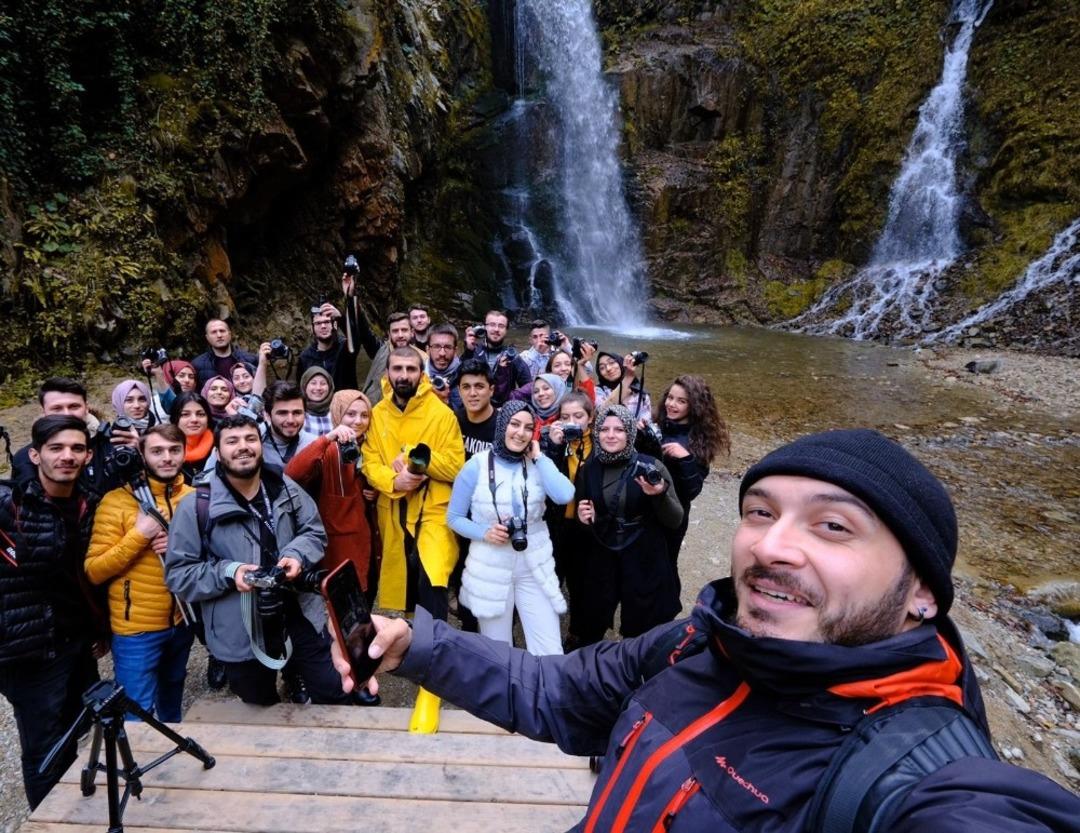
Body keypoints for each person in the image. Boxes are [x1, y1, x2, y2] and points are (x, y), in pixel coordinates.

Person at [332, 429, 1080, 833]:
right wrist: (419, 644)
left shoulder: (912, 780)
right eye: (760, 512)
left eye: (832, 525)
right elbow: (559, 689)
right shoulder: (699, 642)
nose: (772, 545)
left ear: (923, 592)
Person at [165, 414, 348, 706]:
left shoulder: (285, 487)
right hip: (238, 625)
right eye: (232, 441)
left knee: (332, 691)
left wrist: (296, 554)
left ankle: (300, 688)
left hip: (296, 609)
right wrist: (229, 572)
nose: (243, 446)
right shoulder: (196, 506)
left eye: (250, 439)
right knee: (259, 705)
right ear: (217, 453)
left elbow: (313, 531)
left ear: (261, 446)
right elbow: (178, 575)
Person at [0, 415, 107, 810]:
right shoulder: (10, 505)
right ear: (35, 455)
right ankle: (49, 818)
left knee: (76, 728)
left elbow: (86, 576)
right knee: (44, 748)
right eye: (56, 448)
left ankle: (71, 807)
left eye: (77, 448)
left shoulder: (89, 504)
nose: (67, 456)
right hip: (29, 649)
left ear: (88, 455)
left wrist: (100, 627)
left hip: (77, 641)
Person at [361, 346, 464, 732]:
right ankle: (401, 653)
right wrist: (394, 480)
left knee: (432, 584)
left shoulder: (442, 414)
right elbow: (370, 461)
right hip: (393, 510)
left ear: (422, 373)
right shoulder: (377, 414)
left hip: (433, 512)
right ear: (387, 371)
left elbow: (455, 464)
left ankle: (432, 685)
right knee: (401, 594)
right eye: (397, 368)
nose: (403, 375)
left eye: (410, 368)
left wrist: (414, 460)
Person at [84, 424, 195, 722]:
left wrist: (179, 544)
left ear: (184, 453)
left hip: (182, 620)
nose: (167, 458)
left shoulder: (195, 498)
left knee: (172, 692)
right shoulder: (116, 501)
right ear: (142, 455)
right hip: (136, 630)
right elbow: (94, 570)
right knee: (136, 711)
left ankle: (172, 743)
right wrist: (139, 535)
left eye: (174, 450)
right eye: (157, 451)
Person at [448, 402, 574, 655]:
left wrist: (539, 457)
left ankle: (546, 682)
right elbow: (454, 517)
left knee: (549, 649)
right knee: (498, 651)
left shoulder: (538, 463)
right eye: (514, 424)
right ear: (502, 425)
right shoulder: (476, 465)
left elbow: (564, 495)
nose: (520, 433)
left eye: (528, 427)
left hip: (534, 564)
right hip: (491, 565)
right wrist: (484, 532)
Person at [575, 403, 683, 644]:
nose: (611, 435)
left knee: (642, 621)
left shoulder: (651, 466)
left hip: (643, 550)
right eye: (604, 429)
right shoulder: (589, 469)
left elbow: (675, 520)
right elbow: (584, 519)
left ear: (630, 433)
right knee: (594, 613)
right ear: (597, 433)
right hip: (604, 550)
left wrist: (659, 495)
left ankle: (637, 656)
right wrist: (584, 520)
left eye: (619, 429)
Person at [285, 390, 379, 596]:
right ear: (337, 415)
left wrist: (375, 493)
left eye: (364, 415)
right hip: (340, 548)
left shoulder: (374, 447)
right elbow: (292, 474)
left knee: (367, 597)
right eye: (350, 414)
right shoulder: (328, 449)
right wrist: (327, 439)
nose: (358, 421)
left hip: (371, 542)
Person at [646, 374, 730, 592]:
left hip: (673, 514)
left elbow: (693, 490)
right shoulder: (658, 424)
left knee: (665, 564)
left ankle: (668, 605)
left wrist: (686, 459)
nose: (672, 404)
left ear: (694, 406)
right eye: (670, 397)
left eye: (681, 401)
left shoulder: (698, 440)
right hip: (645, 507)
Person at [11, 377, 136, 494]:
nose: (67, 414)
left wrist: (140, 453)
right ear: (44, 412)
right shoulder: (26, 457)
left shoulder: (115, 444)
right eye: (57, 408)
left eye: (74, 407)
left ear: (86, 408)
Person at [540, 391, 594, 651]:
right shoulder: (553, 443)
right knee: (551, 577)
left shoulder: (600, 444)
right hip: (556, 522)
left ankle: (577, 632)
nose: (572, 422)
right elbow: (542, 478)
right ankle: (544, 627)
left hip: (585, 526)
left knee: (582, 581)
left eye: (578, 416)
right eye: (565, 417)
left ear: (590, 418)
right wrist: (553, 447)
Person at [297, 270, 376, 393]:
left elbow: (358, 334)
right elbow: (300, 390)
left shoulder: (345, 349)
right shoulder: (305, 357)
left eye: (327, 322)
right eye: (318, 323)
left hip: (345, 402)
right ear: (312, 328)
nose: (323, 326)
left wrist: (341, 316)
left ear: (334, 324)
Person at [462, 309, 531, 406]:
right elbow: (458, 381)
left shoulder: (511, 356)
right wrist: (468, 352)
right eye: (492, 325)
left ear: (506, 330)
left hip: (502, 408)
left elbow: (529, 386)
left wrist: (513, 398)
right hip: (474, 406)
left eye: (501, 326)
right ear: (484, 327)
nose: (496, 329)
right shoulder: (474, 351)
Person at [361, 311, 416, 406]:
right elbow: (365, 334)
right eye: (395, 331)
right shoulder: (380, 351)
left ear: (412, 332)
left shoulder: (422, 359)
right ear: (389, 334)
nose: (400, 335)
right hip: (376, 408)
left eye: (404, 330)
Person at [191, 319, 257, 387]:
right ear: (207, 337)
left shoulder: (250, 359)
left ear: (229, 334)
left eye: (222, 331)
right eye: (214, 332)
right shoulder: (197, 365)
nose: (219, 335)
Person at [455, 360, 498, 460]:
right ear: (459, 391)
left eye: (479, 387)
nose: (472, 393)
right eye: (466, 387)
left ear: (491, 390)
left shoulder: (503, 426)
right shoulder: (452, 421)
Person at [169, 392, 214, 484]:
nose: (194, 420)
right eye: (185, 414)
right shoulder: (165, 450)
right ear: (175, 418)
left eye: (200, 414)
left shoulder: (220, 447)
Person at [595, 351, 652, 422]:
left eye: (612, 362)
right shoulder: (598, 390)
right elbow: (602, 413)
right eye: (602, 368)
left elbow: (647, 418)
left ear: (620, 363)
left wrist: (642, 424)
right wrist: (628, 377)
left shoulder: (640, 392)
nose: (608, 368)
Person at [424, 323, 463, 411]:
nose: (442, 353)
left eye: (448, 347)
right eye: (436, 346)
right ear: (428, 350)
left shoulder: (465, 377)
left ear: (455, 351)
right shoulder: (418, 375)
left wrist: (447, 402)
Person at [529, 373, 568, 438]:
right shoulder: (529, 417)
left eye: (546, 388)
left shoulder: (568, 417)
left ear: (558, 389)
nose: (540, 393)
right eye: (536, 391)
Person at [300, 366, 335, 436]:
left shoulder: (337, 411)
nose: (318, 388)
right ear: (305, 386)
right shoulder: (297, 412)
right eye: (313, 383)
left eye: (323, 383)